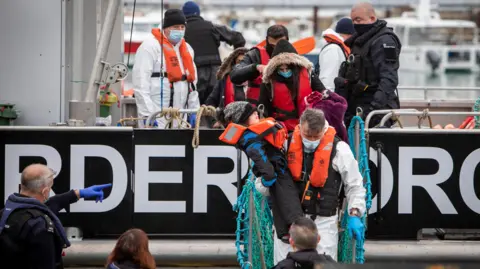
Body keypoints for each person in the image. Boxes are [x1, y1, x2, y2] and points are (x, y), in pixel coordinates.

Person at [273, 108, 366, 263]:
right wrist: (264, 182)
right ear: (299, 126)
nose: (311, 139)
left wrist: (355, 213)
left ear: (324, 130)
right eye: (307, 135)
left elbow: (355, 185)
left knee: (324, 264)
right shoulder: (285, 144)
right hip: (289, 222)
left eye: (316, 136)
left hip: (323, 222)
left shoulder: (340, 150)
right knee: (284, 264)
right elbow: (263, 186)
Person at [217, 101, 303, 242]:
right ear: (242, 119)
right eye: (251, 113)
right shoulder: (250, 138)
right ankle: (299, 234)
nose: (256, 113)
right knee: (289, 202)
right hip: (277, 173)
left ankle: (283, 233)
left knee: (279, 201)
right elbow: (260, 159)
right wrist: (268, 178)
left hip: (276, 172)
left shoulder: (252, 135)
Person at [0, 163, 112, 269]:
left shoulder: (6, 213)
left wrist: (79, 193)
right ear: (45, 192)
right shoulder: (39, 225)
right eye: (50, 188)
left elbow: (46, 206)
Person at [335, 2, 401, 128]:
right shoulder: (360, 41)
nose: (355, 24)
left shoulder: (384, 41)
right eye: (353, 20)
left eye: (359, 20)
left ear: (372, 18)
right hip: (357, 108)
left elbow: (389, 79)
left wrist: (372, 110)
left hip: (375, 112)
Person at [132, 9, 199, 128]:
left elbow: (193, 83)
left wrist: (194, 111)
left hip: (181, 117)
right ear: (165, 27)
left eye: (182, 27)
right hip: (157, 113)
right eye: (175, 27)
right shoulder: (149, 47)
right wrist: (147, 114)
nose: (179, 31)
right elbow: (141, 83)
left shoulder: (187, 49)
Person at [182, 1, 246, 105]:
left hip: (194, 73)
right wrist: (236, 61)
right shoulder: (211, 27)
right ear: (198, 13)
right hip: (215, 73)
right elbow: (238, 38)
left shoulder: (182, 30)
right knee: (214, 106)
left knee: (195, 106)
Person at [259, 39, 326, 132]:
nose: (285, 71)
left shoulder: (308, 74)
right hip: (282, 128)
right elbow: (264, 106)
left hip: (309, 124)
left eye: (287, 68)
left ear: (294, 66)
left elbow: (322, 92)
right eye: (281, 69)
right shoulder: (268, 81)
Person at [230, 25, 289, 106]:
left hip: (284, 110)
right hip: (259, 111)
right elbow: (234, 75)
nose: (276, 49)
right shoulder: (254, 55)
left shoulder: (293, 57)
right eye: (272, 46)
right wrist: (256, 67)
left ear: (287, 40)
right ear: (267, 40)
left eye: (279, 45)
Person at [206, 47, 248, 128]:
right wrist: (215, 121)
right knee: (230, 139)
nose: (242, 65)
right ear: (234, 63)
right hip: (230, 127)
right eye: (239, 61)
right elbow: (210, 103)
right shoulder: (224, 80)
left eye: (245, 62)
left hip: (251, 128)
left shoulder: (256, 82)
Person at [317, 18, 354, 91]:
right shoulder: (333, 49)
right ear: (349, 34)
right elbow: (328, 80)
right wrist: (330, 100)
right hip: (332, 98)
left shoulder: (338, 48)